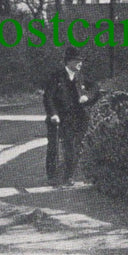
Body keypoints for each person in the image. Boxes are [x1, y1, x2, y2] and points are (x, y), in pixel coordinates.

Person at [43, 47, 93, 187]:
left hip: (74, 118)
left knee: (72, 147)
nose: (80, 63)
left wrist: (86, 96)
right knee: (53, 147)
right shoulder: (57, 76)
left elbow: (95, 87)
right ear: (69, 61)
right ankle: (52, 176)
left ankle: (68, 176)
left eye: (81, 61)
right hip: (57, 118)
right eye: (77, 61)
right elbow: (48, 97)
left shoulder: (80, 77)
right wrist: (53, 114)